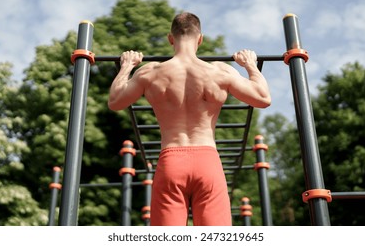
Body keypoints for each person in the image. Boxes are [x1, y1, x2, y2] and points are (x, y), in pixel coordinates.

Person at [108, 12, 271, 226]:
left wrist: (127, 66)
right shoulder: (219, 71)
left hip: (170, 162)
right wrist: (250, 65)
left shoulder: (150, 72)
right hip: (207, 161)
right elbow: (262, 98)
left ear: (170, 38)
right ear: (200, 39)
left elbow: (115, 101)